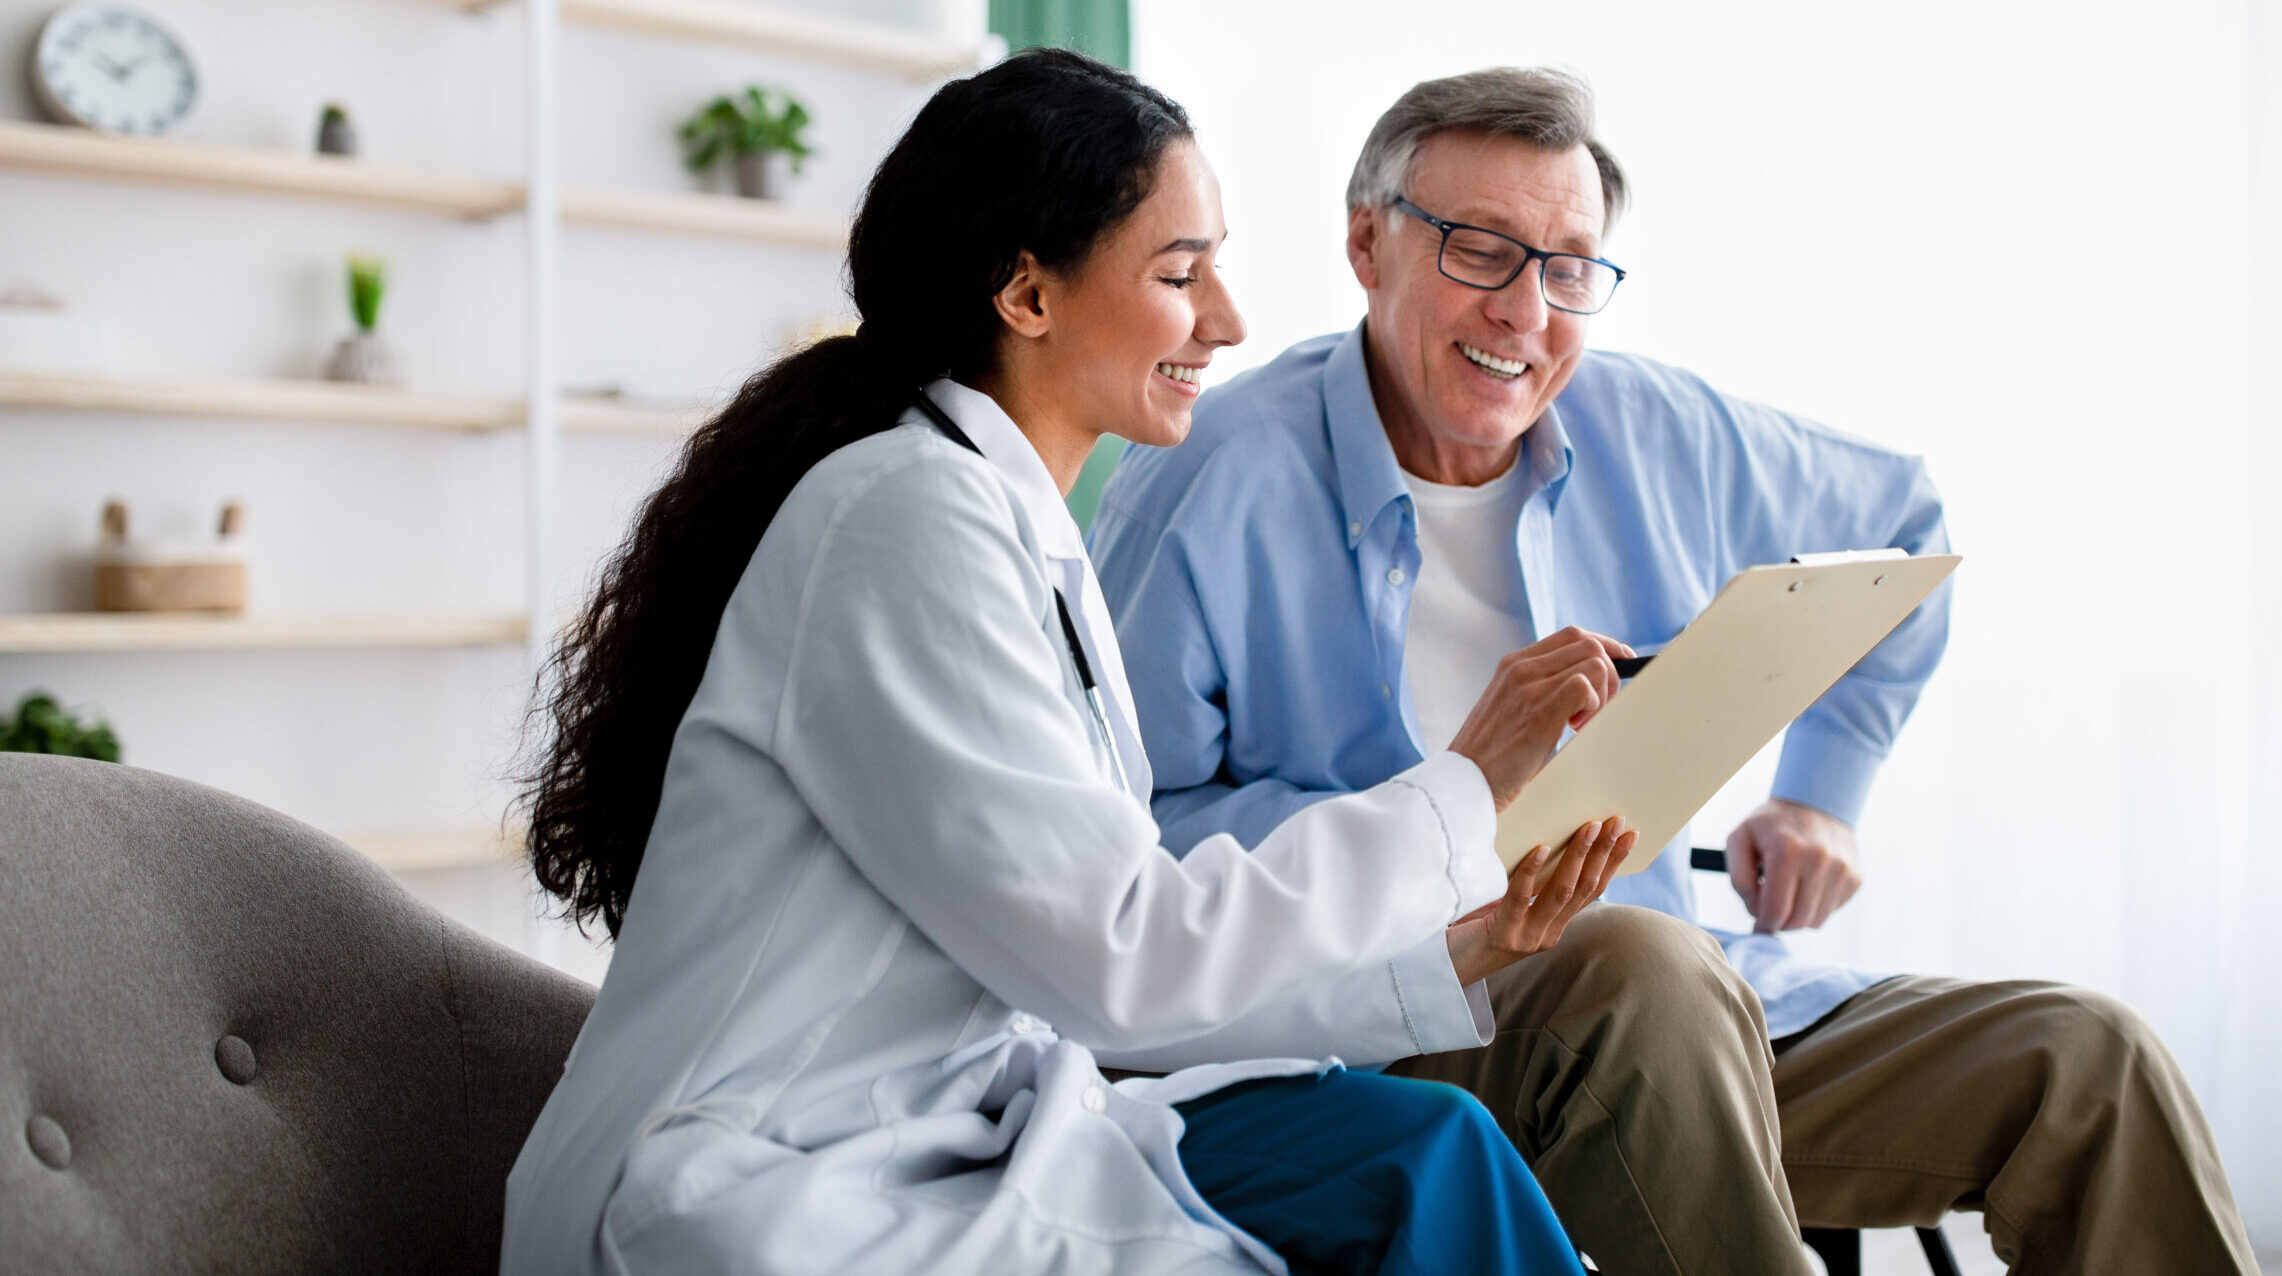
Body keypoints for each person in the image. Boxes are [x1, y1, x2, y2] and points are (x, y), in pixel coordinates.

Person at [1091, 66, 2260, 1275]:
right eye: (1479, 251)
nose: (1525, 312)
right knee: (1636, 965)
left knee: (2084, 1061)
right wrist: (1438, 832)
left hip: (1691, 1016)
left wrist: (1820, 795)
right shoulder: (1207, 477)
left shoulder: (1659, 431)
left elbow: (1903, 526)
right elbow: (1126, 851)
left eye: (1567, 269)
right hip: (1386, 1024)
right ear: (1366, 244)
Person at [500, 50, 1637, 1276]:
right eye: (1180, 274)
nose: (1227, 320)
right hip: (755, 1178)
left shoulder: (1013, 526)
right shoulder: (903, 518)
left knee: (1427, 1146)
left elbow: (1095, 971)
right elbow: (1122, 958)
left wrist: (1454, 951)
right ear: (1027, 293)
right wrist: (1460, 789)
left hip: (940, 1127)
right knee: (1396, 1181)